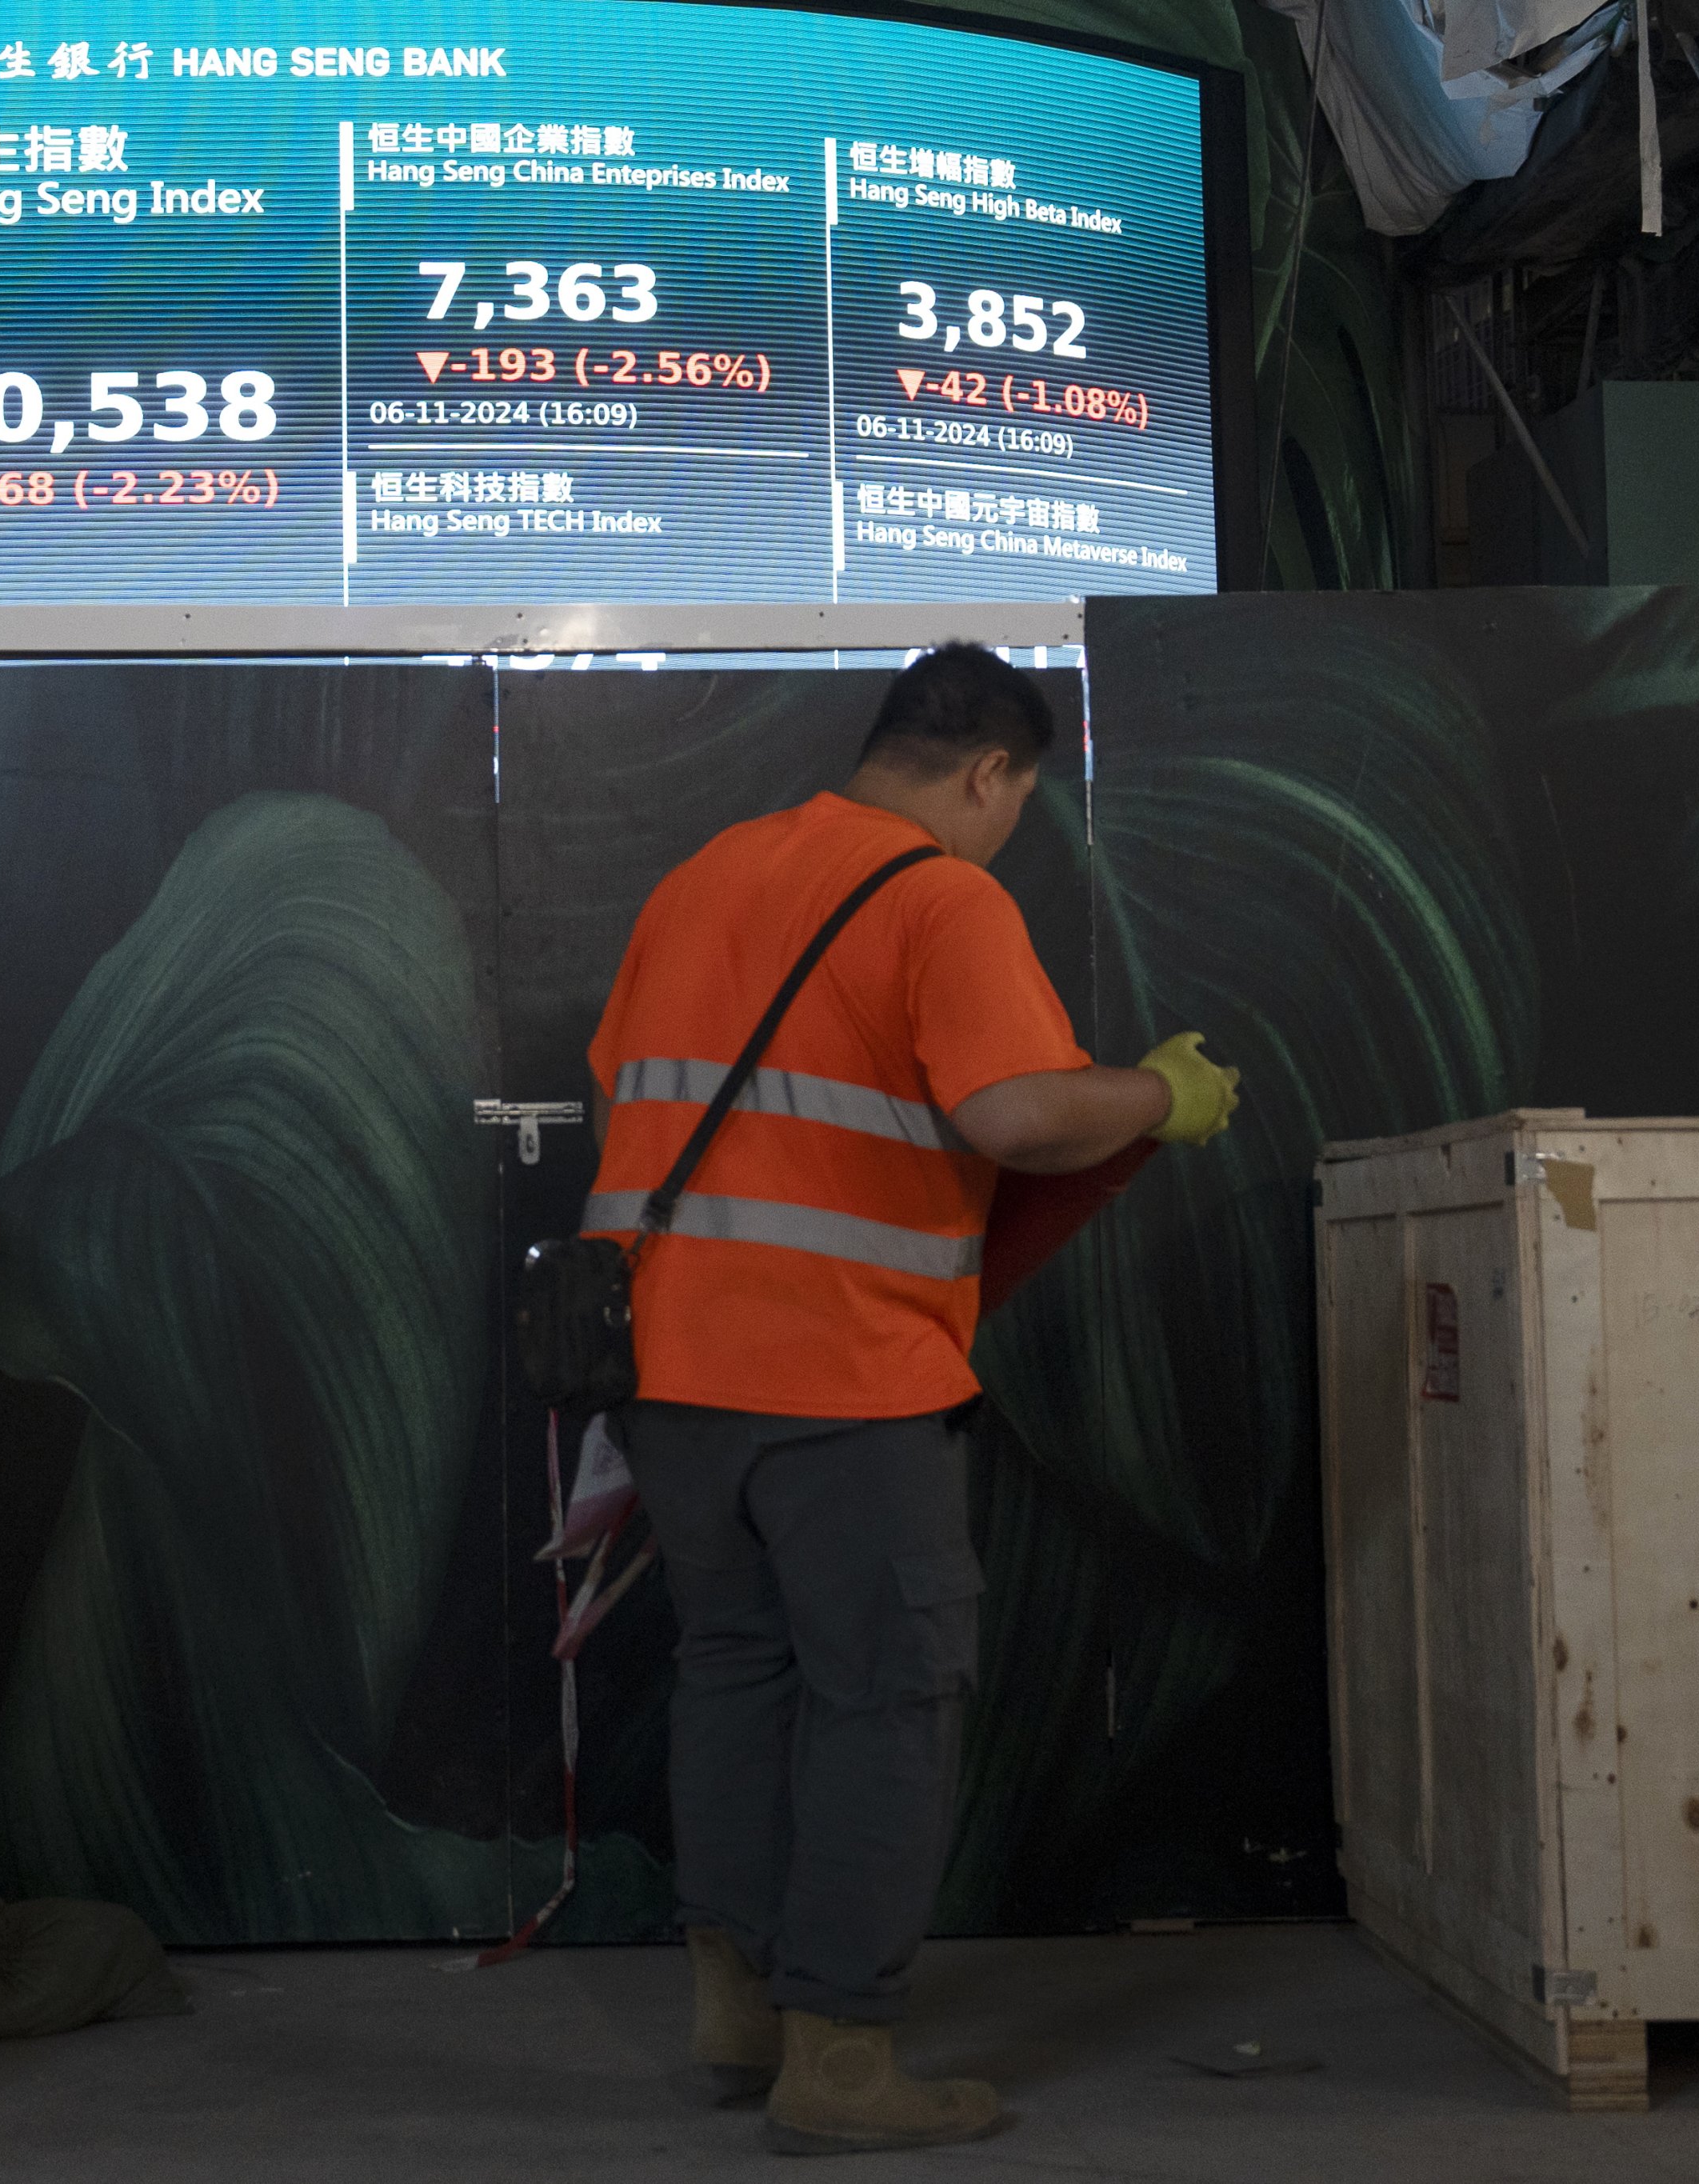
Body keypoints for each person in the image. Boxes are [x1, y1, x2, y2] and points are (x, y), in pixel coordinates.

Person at [582, 642, 1240, 2154]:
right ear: (988, 770)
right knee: (890, 1697)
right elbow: (1011, 1110)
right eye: (1019, 800)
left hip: (670, 1376)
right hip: (845, 1381)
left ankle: (736, 2000)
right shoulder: (941, 895)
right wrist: (1158, 1095)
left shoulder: (701, 877)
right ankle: (844, 2057)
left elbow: (630, 1082)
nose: (1011, 826)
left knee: (735, 1671)